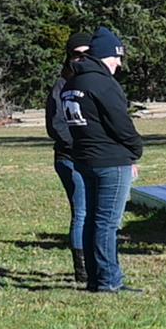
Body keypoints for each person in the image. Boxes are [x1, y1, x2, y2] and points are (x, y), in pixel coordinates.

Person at [62, 27, 144, 293]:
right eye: (116, 57)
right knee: (107, 223)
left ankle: (94, 278)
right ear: (105, 56)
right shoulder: (104, 84)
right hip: (111, 160)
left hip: (84, 159)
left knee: (91, 221)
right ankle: (109, 280)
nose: (119, 64)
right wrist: (136, 148)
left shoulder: (72, 83)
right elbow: (121, 123)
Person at [47, 31, 94, 284]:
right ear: (68, 57)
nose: (81, 59)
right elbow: (56, 125)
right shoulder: (61, 86)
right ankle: (82, 269)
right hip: (70, 158)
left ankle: (95, 261)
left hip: (93, 157)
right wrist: (79, 148)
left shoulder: (94, 83)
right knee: (81, 211)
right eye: (77, 55)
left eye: (87, 54)